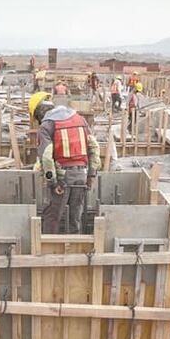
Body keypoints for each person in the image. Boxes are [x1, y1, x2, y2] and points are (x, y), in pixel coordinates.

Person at [30, 91, 100, 234]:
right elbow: (94, 148)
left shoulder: (47, 126)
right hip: (81, 175)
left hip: (63, 178)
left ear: (39, 113)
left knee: (52, 217)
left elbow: (46, 158)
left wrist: (53, 182)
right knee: (75, 217)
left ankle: (49, 245)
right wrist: (91, 175)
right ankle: (75, 244)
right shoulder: (80, 120)